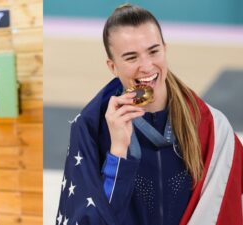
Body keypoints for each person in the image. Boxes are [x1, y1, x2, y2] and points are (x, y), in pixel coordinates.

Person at [56, 4, 243, 225]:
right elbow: (92, 220)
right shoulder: (90, 128)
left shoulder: (210, 126)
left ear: (165, 48)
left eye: (153, 51)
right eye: (131, 57)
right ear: (112, 66)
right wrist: (118, 153)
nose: (146, 66)